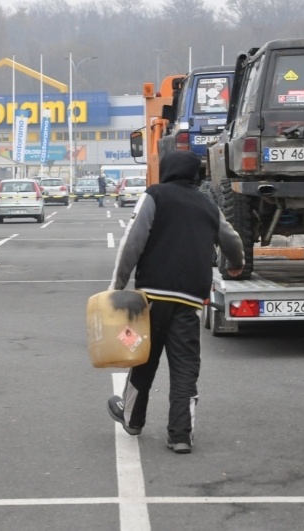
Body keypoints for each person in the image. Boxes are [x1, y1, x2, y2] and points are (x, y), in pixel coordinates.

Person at [106, 149, 244, 454]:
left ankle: (132, 419)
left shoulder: (155, 195)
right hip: (190, 301)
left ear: (167, 170)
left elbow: (133, 242)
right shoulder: (208, 205)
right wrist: (237, 264)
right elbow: (231, 239)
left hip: (152, 299)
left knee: (143, 358)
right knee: (185, 368)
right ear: (196, 174)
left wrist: (117, 286)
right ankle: (181, 435)